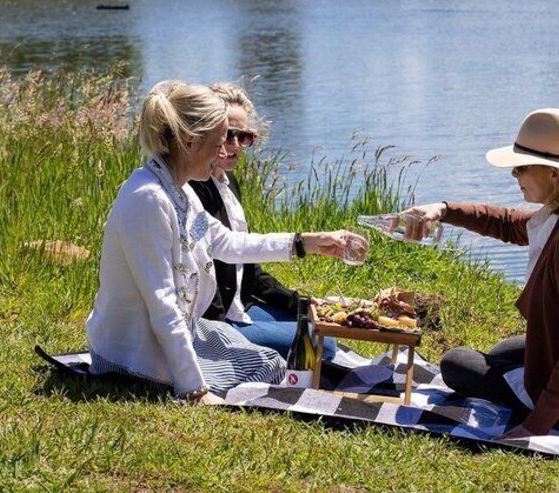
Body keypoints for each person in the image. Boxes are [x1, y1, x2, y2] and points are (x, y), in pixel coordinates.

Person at [86, 81, 367, 404]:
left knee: (271, 364)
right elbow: (163, 306)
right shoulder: (148, 200)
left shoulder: (181, 191)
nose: (224, 153)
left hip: (173, 334)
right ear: (189, 142)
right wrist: (194, 390)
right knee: (271, 371)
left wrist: (307, 243)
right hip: (134, 355)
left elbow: (230, 244)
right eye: (219, 143)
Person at [400, 108, 559, 439]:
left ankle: (544, 406)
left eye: (522, 166)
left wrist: (535, 425)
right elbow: (505, 223)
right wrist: (441, 210)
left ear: (555, 173)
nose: (514, 172)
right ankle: (527, 384)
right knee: (503, 352)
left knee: (455, 364)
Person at [189, 83, 337, 360]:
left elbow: (250, 268)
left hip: (241, 306)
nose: (235, 146)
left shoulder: (229, 182)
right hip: (214, 321)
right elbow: (203, 268)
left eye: (244, 137)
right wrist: (223, 338)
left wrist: (300, 302)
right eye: (228, 135)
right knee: (322, 346)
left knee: (320, 326)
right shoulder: (194, 189)